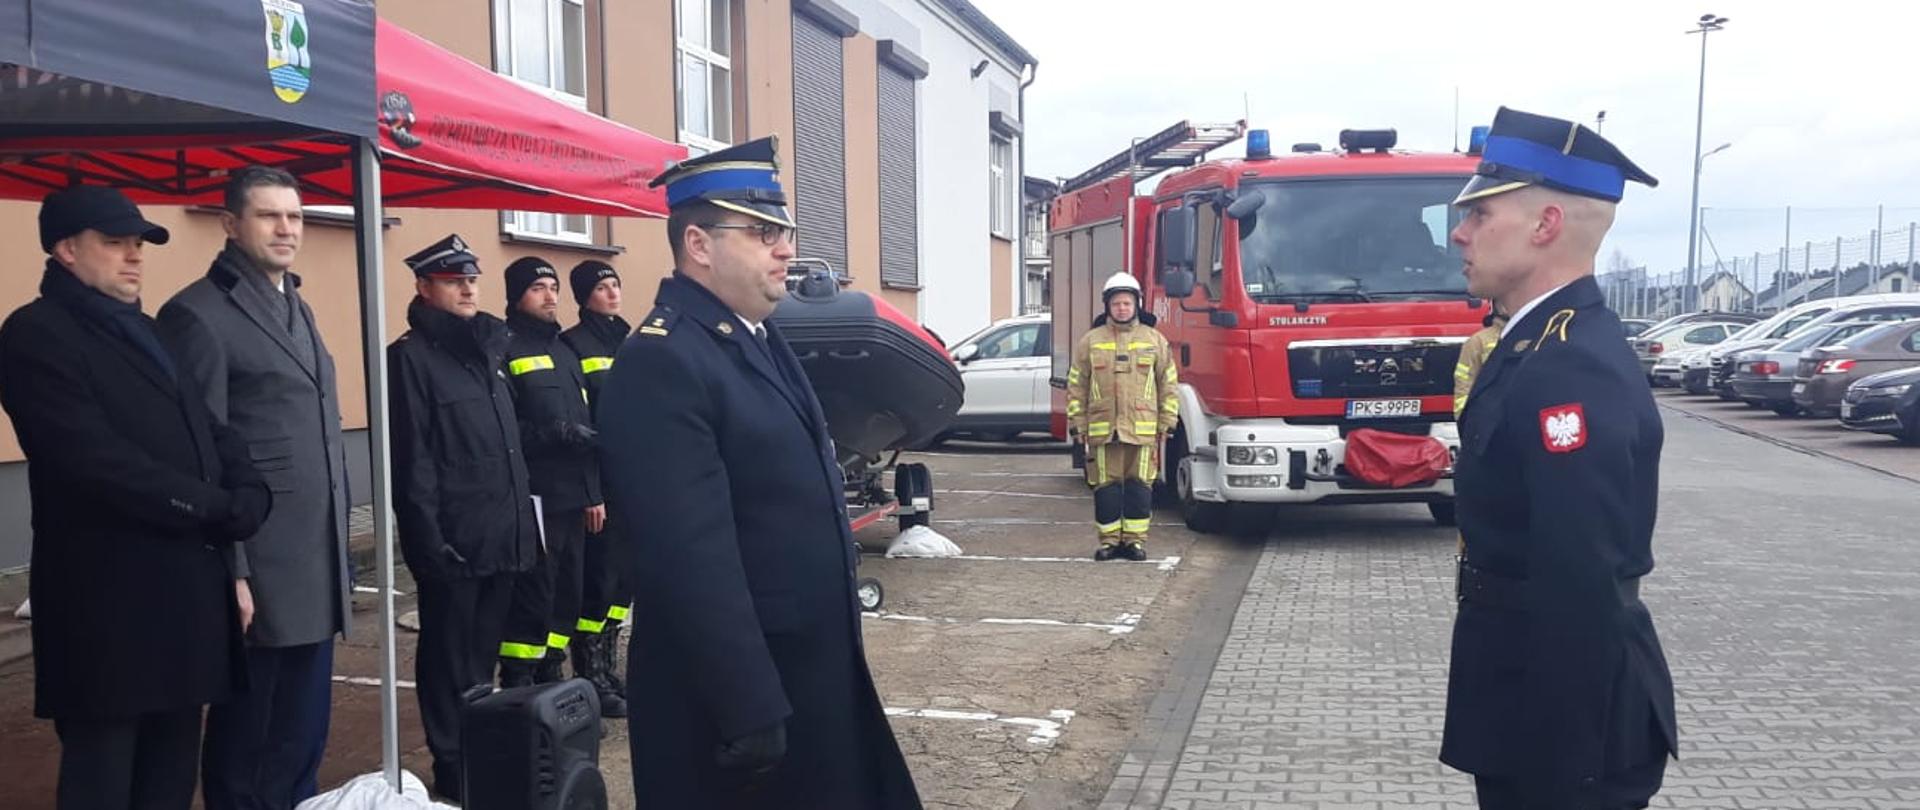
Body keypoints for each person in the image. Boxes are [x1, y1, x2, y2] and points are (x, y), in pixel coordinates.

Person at [596, 136, 922, 808]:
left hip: (805, 670)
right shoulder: (665, 361)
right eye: (763, 231)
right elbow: (689, 558)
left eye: (786, 231)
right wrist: (748, 706)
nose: (785, 248)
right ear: (699, 244)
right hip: (737, 703)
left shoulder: (757, 335)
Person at [0, 185, 271, 810]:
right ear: (66, 250)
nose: (134, 258)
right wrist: (212, 506)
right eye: (115, 243)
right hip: (108, 604)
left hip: (183, 597)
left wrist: (250, 486)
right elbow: (94, 462)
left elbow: (209, 426)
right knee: (104, 775)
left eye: (139, 245)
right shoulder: (37, 333)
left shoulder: (151, 332)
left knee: (170, 777)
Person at [1443, 107, 1677, 809]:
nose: (1459, 231)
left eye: (1480, 214)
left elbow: (1582, 571)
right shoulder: (1531, 345)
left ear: (1545, 225)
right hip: (1523, 692)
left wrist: (1565, 756)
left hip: (1562, 719)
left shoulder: (1568, 366)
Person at [156, 166, 352, 810]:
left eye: (294, 216)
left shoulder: (295, 302)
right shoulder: (197, 315)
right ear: (231, 225)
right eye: (269, 216)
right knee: (251, 737)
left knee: (301, 732)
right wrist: (231, 571)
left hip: (313, 554)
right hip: (260, 559)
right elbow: (198, 453)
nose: (286, 229)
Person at [387, 234, 539, 802]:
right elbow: (413, 460)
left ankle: (478, 755)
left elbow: (506, 449)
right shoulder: (410, 359)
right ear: (425, 289)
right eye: (454, 280)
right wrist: (427, 541)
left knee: (482, 661)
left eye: (471, 278)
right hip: (455, 540)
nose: (468, 287)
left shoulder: (488, 352)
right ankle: (451, 765)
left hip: (501, 533)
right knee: (449, 661)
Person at [496, 257, 602, 689]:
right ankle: (521, 683)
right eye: (538, 287)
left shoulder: (564, 351)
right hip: (535, 499)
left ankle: (552, 675)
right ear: (517, 295)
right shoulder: (504, 348)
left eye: (553, 286)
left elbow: (587, 426)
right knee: (533, 598)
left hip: (573, 500)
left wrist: (593, 492)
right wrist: (549, 433)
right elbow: (503, 428)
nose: (550, 295)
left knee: (566, 596)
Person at [1065, 272, 1179, 561]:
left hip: (1142, 431)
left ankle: (1135, 542)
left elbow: (1168, 384)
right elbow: (1076, 385)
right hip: (1104, 432)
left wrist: (1168, 421)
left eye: (1127, 303)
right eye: (1116, 304)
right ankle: (1109, 543)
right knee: (1106, 489)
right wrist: (1078, 425)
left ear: (1137, 305)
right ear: (1108, 306)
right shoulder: (1090, 341)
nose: (1122, 309)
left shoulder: (1154, 340)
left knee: (1140, 488)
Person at [559, 259, 631, 718]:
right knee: (598, 582)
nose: (612, 293)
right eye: (602, 287)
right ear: (584, 296)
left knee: (623, 583)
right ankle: (589, 672)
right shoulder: (573, 345)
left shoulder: (628, 340)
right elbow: (582, 425)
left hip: (631, 480)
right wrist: (592, 491)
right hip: (600, 483)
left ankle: (607, 667)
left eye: (615, 284)